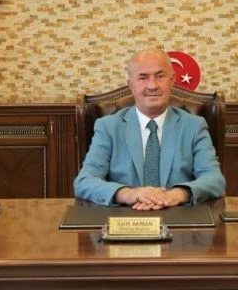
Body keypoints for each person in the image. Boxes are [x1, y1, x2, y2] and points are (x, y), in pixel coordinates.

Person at [73, 49, 225, 210]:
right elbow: (84, 181)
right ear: (131, 85)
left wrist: (178, 194)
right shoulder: (108, 127)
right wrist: (128, 194)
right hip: (125, 219)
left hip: (178, 217)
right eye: (143, 77)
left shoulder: (194, 126)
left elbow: (215, 179)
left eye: (160, 76)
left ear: (172, 80)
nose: (152, 85)